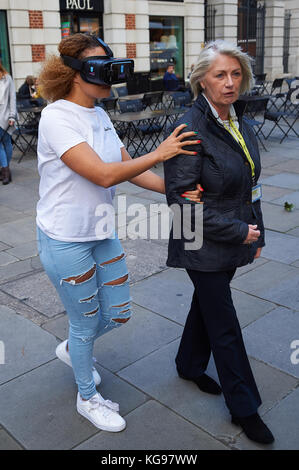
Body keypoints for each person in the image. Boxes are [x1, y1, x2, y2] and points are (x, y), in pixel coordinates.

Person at [36, 33, 201, 433]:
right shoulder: (56, 116)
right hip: (65, 238)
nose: (111, 78)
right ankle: (87, 396)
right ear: (75, 73)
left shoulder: (99, 113)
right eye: (101, 68)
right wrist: (161, 152)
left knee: (118, 312)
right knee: (85, 322)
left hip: (101, 231)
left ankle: (76, 348)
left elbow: (130, 167)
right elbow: (103, 173)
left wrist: (177, 190)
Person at [163, 40, 274, 445]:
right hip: (201, 242)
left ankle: (189, 364)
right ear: (201, 82)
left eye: (236, 74)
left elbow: (252, 186)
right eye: (220, 75)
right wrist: (239, 232)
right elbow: (181, 202)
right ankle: (244, 407)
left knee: (207, 304)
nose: (230, 83)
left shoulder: (238, 121)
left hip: (234, 235)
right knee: (224, 324)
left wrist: (258, 231)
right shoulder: (188, 129)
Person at [0, 61, 16, 184]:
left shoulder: (7, 78)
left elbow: (12, 98)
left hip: (5, 116)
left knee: (6, 142)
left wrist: (12, 116)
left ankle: (5, 169)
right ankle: (6, 171)